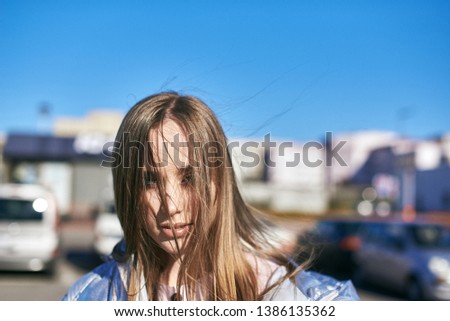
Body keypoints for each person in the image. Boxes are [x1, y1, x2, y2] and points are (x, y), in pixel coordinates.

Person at [62, 92, 358, 301]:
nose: (172, 206)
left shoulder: (298, 298)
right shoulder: (90, 297)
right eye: (149, 180)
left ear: (220, 180)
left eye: (189, 178)